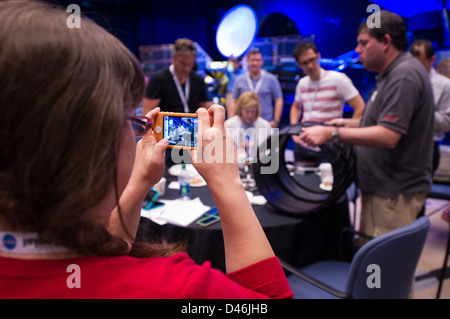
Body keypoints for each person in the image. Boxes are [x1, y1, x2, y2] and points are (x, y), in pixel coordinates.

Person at [0, 1, 293, 299]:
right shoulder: (177, 289)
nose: (140, 130)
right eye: (131, 119)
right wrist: (228, 183)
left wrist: (138, 183)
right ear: (89, 144)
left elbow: (105, 251)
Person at [299, 10, 435, 241]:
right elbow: (381, 122)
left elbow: (389, 135)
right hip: (381, 187)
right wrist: (348, 123)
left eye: (363, 43)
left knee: (387, 271)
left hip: (394, 192)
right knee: (371, 261)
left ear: (385, 42)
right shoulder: (390, 75)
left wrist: (332, 132)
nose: (358, 51)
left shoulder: (404, 75)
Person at [289, 42, 365, 124]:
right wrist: (293, 129)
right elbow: (296, 106)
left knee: (276, 134)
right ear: (299, 64)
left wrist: (350, 130)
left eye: (312, 59)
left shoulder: (338, 79)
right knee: (276, 134)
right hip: (305, 132)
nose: (310, 66)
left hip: (328, 134)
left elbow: (360, 106)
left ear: (318, 56)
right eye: (305, 63)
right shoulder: (302, 83)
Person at [142, 38, 213, 115]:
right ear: (173, 58)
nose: (186, 68)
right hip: (167, 125)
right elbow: (147, 114)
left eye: (190, 64)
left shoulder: (198, 80)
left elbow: (206, 107)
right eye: (182, 63)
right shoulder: (158, 80)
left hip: (193, 125)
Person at [409, 39, 450, 172]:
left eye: (421, 63)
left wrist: (419, 111)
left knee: (416, 193)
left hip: (427, 148)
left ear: (432, 59)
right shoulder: (401, 81)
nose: (414, 68)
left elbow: (447, 123)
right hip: (399, 145)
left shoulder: (444, 85)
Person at [229, 48, 284, 128]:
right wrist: (231, 121)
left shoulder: (271, 79)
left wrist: (276, 121)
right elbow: (233, 101)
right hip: (243, 125)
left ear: (262, 62)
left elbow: (279, 99)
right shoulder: (239, 79)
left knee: (273, 141)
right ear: (247, 62)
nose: (255, 63)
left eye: (258, 60)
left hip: (268, 123)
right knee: (243, 141)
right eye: (252, 60)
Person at [225, 92, 272, 159]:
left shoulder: (265, 125)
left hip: (259, 165)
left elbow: (271, 150)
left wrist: (263, 153)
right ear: (240, 109)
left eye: (253, 112)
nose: (250, 115)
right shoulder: (229, 124)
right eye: (247, 111)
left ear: (257, 110)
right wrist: (234, 152)